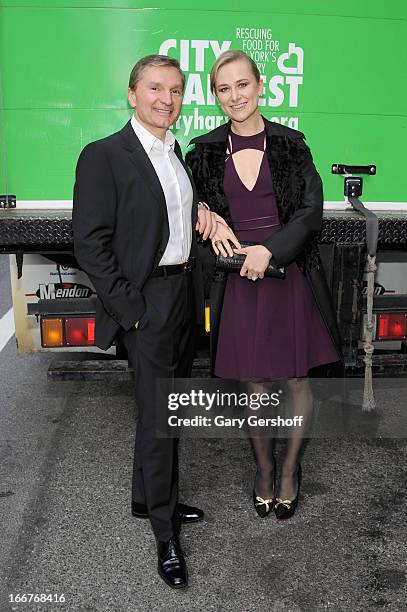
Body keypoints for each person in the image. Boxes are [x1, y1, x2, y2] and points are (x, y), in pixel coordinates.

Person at [73, 54, 220, 589]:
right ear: (132, 94)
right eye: (156, 88)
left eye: (176, 90)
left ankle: (147, 499)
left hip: (181, 295)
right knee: (161, 419)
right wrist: (132, 312)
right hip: (148, 304)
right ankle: (166, 535)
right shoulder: (105, 155)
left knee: (165, 408)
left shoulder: (173, 153)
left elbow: (169, 215)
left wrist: (201, 209)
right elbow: (90, 243)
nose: (167, 99)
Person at [186, 50, 342, 520]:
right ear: (216, 96)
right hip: (237, 280)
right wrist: (201, 210)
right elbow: (181, 198)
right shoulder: (205, 151)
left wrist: (269, 250)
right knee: (254, 382)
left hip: (287, 273)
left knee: (295, 378)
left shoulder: (293, 146)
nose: (234, 96)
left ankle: (290, 470)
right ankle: (263, 467)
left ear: (260, 86)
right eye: (223, 89)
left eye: (242, 85)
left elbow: (310, 213)